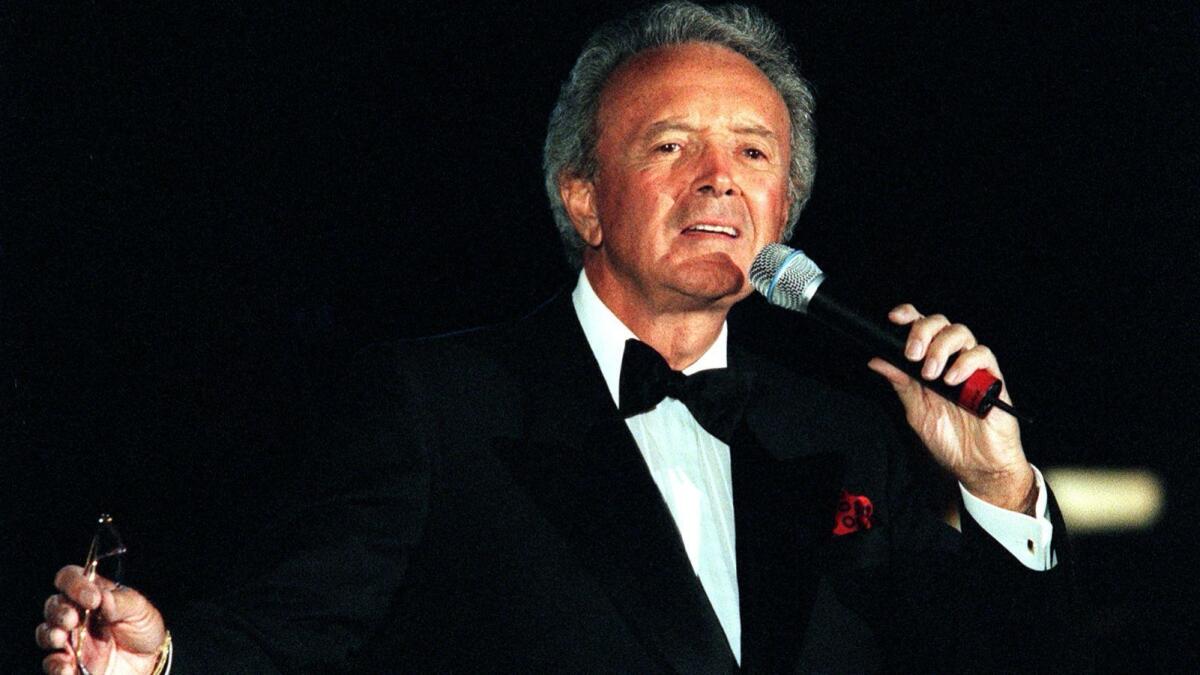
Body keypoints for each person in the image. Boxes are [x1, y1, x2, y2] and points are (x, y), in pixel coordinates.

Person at [37, 2, 1081, 672]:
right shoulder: (441, 406)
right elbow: (296, 630)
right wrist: (162, 661)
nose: (721, 176)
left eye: (755, 152)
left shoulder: (849, 437)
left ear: (785, 211)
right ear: (583, 198)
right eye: (673, 144)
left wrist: (998, 491)